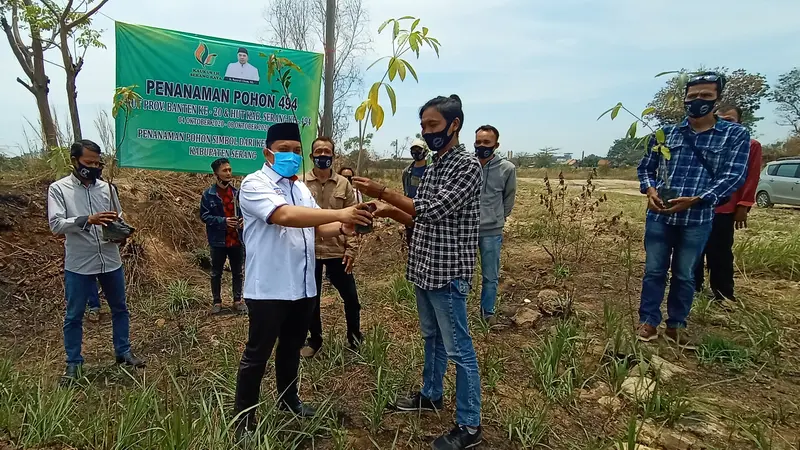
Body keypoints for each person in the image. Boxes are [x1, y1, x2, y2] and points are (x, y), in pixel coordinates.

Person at [353, 95, 483, 450]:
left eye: (434, 126)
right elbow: (416, 217)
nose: (427, 133)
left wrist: (383, 191)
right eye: (424, 126)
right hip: (424, 267)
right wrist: (383, 209)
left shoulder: (466, 167)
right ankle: (431, 394)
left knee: (459, 349)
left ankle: (470, 425)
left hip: (448, 272)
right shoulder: (434, 166)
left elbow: (434, 210)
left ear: (454, 125)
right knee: (432, 338)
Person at [233, 122, 373, 438]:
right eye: (284, 150)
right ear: (267, 152)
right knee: (257, 354)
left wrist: (344, 227)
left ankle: (288, 400)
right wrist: (341, 214)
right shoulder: (255, 184)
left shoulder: (300, 188)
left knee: (292, 346)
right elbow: (284, 216)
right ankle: (243, 421)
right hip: (269, 288)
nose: (292, 156)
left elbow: (316, 228)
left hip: (304, 286)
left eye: (297, 151)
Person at [636, 72, 751, 349]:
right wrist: (650, 190)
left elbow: (734, 176)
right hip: (660, 216)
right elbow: (645, 169)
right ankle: (648, 321)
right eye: (693, 96)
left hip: (697, 218)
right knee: (653, 271)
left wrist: (699, 198)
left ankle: (677, 325)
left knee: (685, 274)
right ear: (685, 99)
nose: (698, 101)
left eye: (706, 96)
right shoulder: (666, 134)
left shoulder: (734, 135)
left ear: (717, 99)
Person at [47, 139, 145, 384]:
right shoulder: (59, 189)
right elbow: (56, 225)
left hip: (110, 259)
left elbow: (117, 218)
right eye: (87, 162)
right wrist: (87, 219)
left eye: (97, 162)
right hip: (79, 262)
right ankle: (73, 363)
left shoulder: (107, 189)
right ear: (74, 161)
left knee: (120, 308)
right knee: (74, 315)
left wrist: (121, 232)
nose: (93, 167)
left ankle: (123, 352)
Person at [300, 137, 364, 357]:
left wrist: (351, 249)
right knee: (311, 301)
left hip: (338, 250)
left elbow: (353, 220)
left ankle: (355, 339)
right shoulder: (300, 183)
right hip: (310, 252)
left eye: (327, 151)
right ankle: (315, 340)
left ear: (333, 156)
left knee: (351, 298)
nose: (323, 155)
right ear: (311, 156)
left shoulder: (344, 184)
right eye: (318, 151)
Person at [694, 104, 762, 303]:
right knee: (693, 249)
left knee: (720, 251)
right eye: (720, 118)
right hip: (698, 206)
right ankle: (693, 288)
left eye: (730, 120)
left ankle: (723, 294)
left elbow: (751, 177)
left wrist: (743, 205)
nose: (724, 123)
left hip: (724, 208)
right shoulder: (703, 142)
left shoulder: (750, 145)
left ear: (740, 123)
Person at [474, 125, 517, 323]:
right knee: (461, 274)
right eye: (479, 142)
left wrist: (498, 217)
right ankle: (457, 313)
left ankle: (487, 313)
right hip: (467, 230)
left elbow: (509, 198)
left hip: (492, 231)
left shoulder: (507, 169)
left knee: (490, 275)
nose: (482, 146)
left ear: (496, 145)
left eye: (486, 143)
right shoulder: (468, 166)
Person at [200, 157, 246, 315]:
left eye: (229, 170)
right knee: (216, 272)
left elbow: (245, 213)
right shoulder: (209, 195)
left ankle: (238, 300)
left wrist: (242, 222)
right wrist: (224, 221)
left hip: (236, 239)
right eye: (224, 170)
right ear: (216, 174)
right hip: (218, 240)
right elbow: (205, 216)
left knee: (238, 272)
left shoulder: (237, 193)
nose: (228, 173)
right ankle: (217, 301)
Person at [401, 138, 429, 244]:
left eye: (419, 149)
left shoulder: (431, 169)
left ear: (425, 151)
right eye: (414, 149)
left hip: (426, 210)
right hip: (410, 209)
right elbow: (405, 191)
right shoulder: (407, 172)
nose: (416, 152)